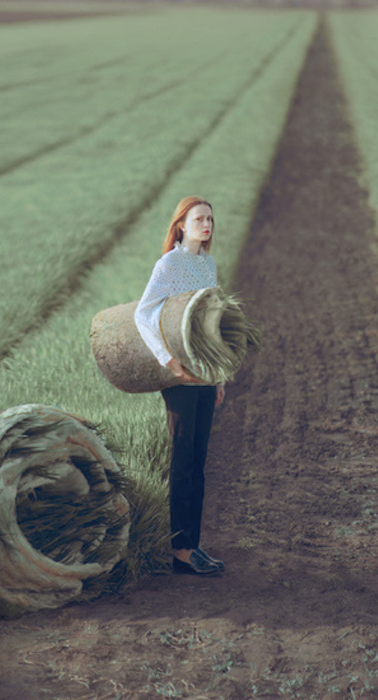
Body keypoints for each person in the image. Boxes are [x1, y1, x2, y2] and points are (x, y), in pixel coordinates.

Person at [134, 196, 226, 576]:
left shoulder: (208, 264)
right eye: (199, 219)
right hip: (180, 376)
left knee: (200, 461)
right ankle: (180, 552)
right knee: (183, 462)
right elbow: (144, 312)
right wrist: (168, 362)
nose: (206, 224)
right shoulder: (169, 264)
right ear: (181, 226)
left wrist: (220, 377)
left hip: (205, 373)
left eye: (210, 219)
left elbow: (213, 323)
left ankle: (194, 544)